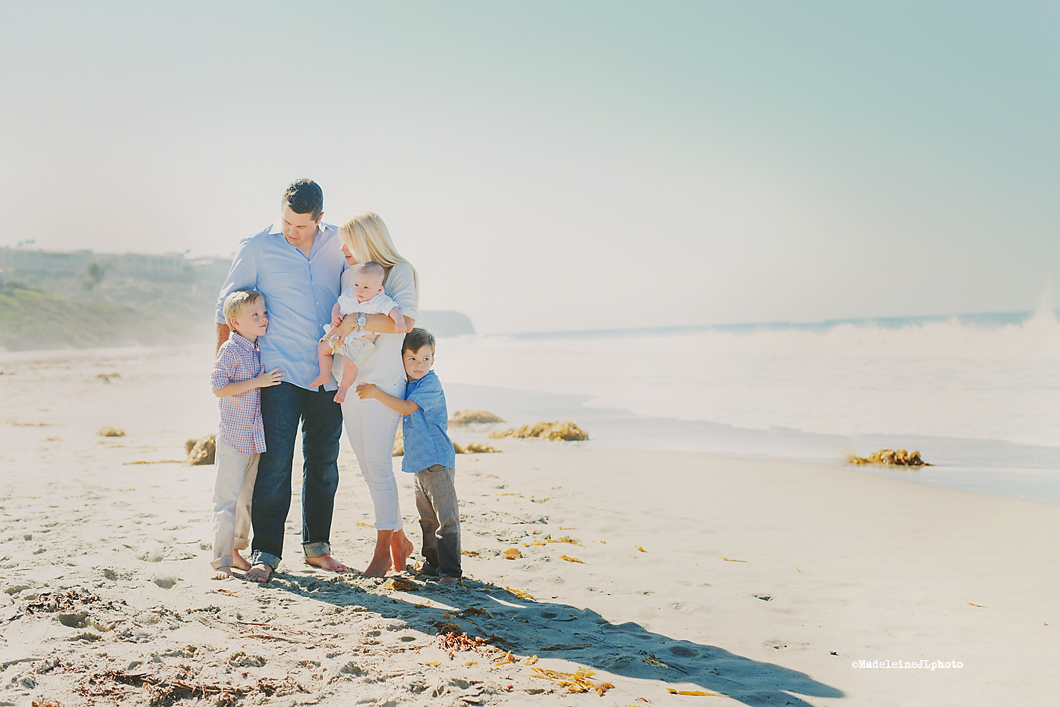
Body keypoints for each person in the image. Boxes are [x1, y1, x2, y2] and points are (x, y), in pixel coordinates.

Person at [215, 179, 348, 583]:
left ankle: (317, 549)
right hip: (277, 375)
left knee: (324, 464)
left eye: (302, 225)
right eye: (287, 222)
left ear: (320, 218)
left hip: (329, 374)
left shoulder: (340, 244)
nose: (292, 231)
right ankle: (266, 553)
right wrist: (225, 373)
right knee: (275, 466)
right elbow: (226, 310)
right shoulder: (256, 246)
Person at [334, 212, 418, 577]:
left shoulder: (398, 271)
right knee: (368, 467)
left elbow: (406, 322)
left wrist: (357, 321)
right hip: (349, 379)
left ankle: (383, 551)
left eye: (348, 243)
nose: (342, 250)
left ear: (367, 241)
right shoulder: (347, 276)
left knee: (380, 465)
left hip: (383, 381)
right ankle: (399, 539)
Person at [357, 329, 461, 583]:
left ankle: (451, 571)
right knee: (427, 518)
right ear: (401, 359)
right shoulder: (410, 382)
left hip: (437, 460)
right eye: (412, 359)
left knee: (445, 519)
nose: (419, 364)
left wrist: (375, 392)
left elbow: (406, 407)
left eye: (425, 358)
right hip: (418, 461)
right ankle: (433, 565)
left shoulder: (429, 383)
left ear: (433, 360)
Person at [209, 290, 285, 579]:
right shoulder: (230, 349)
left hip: (254, 437)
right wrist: (258, 382)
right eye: (255, 315)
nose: (263, 318)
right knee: (225, 501)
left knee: (245, 501)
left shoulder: (258, 348)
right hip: (232, 436)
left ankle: (237, 552)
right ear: (235, 321)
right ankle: (221, 561)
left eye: (264, 313)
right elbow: (218, 387)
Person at [309, 261, 406, 404]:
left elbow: (394, 310)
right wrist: (335, 316)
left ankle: (343, 388)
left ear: (378, 290)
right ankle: (324, 374)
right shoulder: (350, 295)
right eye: (356, 285)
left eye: (366, 287)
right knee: (323, 347)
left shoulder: (379, 300)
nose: (359, 290)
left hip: (361, 340)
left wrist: (399, 322)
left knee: (350, 364)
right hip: (341, 333)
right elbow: (338, 305)